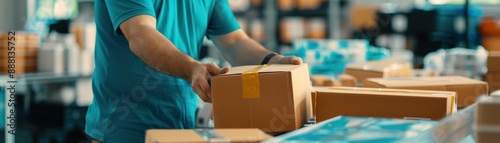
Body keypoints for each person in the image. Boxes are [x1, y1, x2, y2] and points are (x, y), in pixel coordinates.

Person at [85, 0, 302, 143]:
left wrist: (274, 60)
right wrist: (192, 68)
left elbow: (234, 42)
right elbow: (140, 34)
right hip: (124, 128)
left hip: (181, 126)